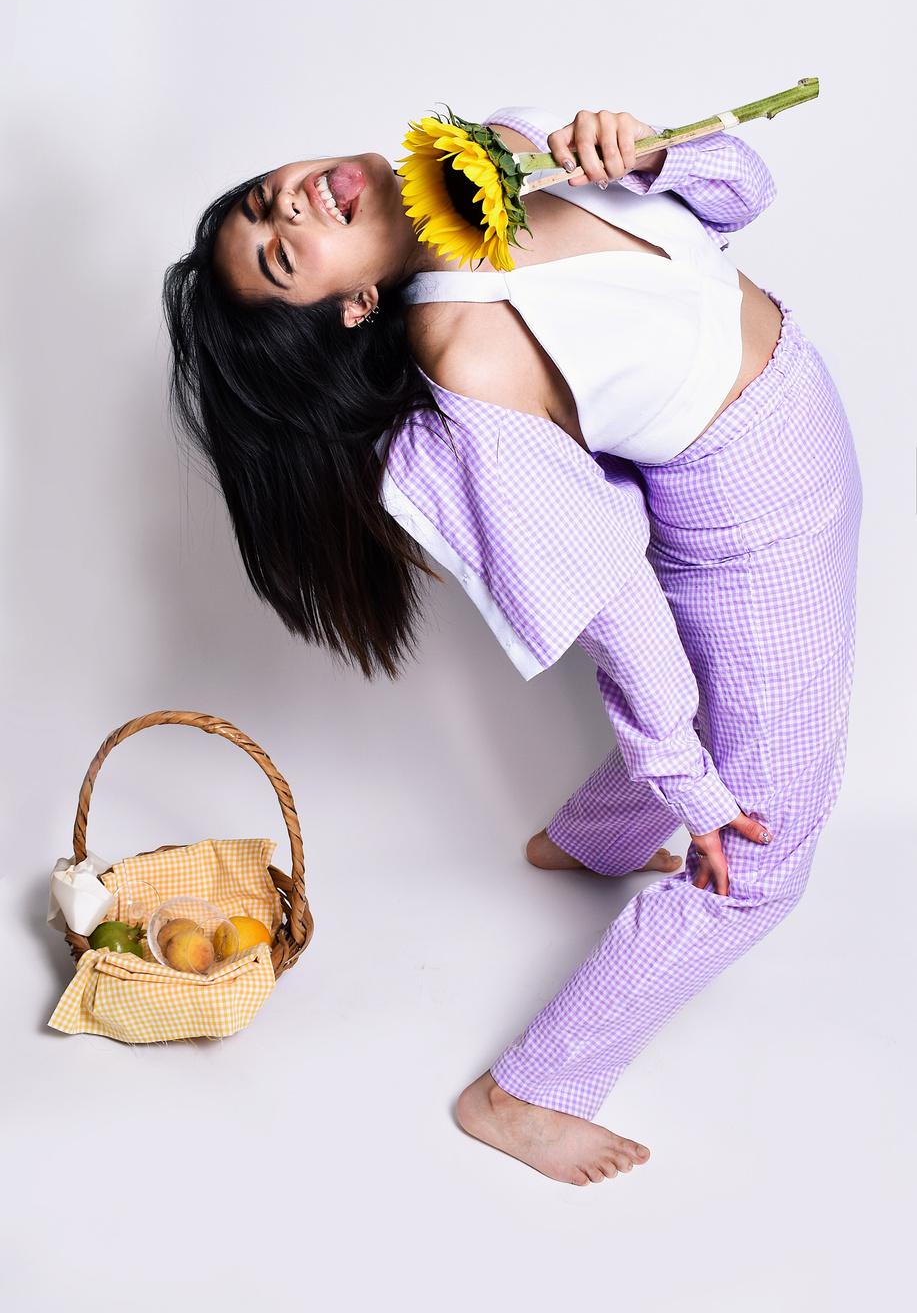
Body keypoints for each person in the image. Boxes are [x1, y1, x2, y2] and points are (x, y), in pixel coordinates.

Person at [162, 102, 862, 1186]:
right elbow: (612, 599)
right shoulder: (469, 350)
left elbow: (740, 197)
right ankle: (526, 1093)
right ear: (353, 306)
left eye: (266, 200)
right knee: (761, 865)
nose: (289, 207)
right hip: (752, 537)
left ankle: (590, 843)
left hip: (802, 430)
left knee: (732, 723)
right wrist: (688, 785)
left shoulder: (495, 157)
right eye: (282, 254)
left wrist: (654, 153)